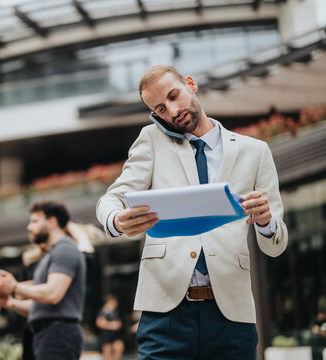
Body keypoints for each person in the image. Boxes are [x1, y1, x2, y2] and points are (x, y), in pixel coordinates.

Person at [96, 64, 288, 359]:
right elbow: (111, 198)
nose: (172, 112)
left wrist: (266, 222)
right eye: (160, 109)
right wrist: (116, 220)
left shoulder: (255, 151)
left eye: (174, 96)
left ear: (190, 84)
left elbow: (276, 245)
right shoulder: (152, 140)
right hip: (165, 314)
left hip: (231, 314)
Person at [0, 201, 86, 360]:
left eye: (35, 221)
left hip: (58, 335)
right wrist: (12, 303)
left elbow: (53, 293)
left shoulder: (65, 249)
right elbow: (43, 304)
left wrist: (14, 287)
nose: (30, 227)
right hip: (49, 335)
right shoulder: (52, 254)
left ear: (52, 222)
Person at [96, 295, 124, 360]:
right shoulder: (103, 312)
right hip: (106, 336)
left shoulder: (115, 312)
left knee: (119, 347)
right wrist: (111, 325)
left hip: (115, 335)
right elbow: (99, 323)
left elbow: (119, 323)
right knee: (107, 355)